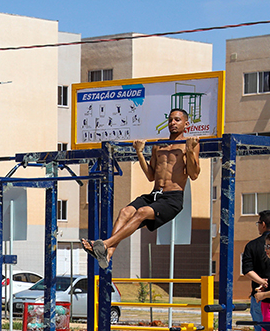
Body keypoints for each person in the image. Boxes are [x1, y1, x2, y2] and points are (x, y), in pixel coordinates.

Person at [82, 109, 201, 266]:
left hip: (172, 199)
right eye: (171, 120)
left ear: (186, 124)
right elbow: (151, 176)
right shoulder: (158, 146)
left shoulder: (188, 145)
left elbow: (194, 174)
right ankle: (108, 253)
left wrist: (191, 150)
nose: (173, 123)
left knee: (142, 212)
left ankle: (105, 244)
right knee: (124, 212)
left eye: (177, 120)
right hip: (155, 194)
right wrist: (139, 153)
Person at [242, 210, 270, 329]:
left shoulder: (252, 245)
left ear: (263, 224)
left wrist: (262, 282)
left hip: (259, 295)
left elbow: (247, 270)